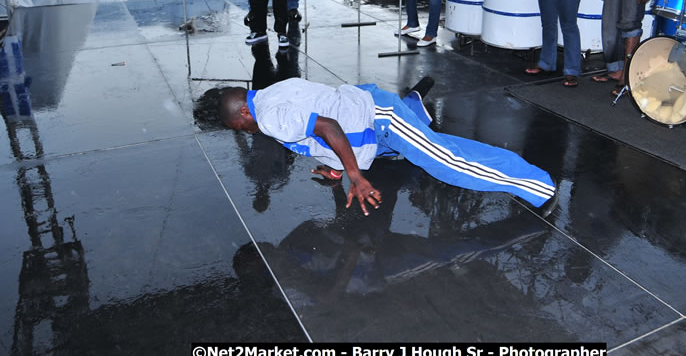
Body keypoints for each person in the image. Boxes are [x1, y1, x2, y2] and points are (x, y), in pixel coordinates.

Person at [219, 77, 556, 216]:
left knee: (449, 163)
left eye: (240, 127)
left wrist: (355, 177)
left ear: (244, 111)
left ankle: (539, 186)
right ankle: (413, 110)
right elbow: (320, 112)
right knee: (440, 149)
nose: (246, 132)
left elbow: (327, 126)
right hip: (370, 124)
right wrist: (337, 166)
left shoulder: (268, 117)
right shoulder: (269, 94)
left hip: (380, 120)